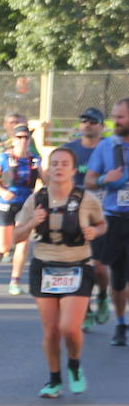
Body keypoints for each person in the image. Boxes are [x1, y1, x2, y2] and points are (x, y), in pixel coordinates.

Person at [12, 147, 107, 396]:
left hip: (77, 266)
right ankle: (54, 379)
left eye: (64, 164)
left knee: (68, 328)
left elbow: (102, 224)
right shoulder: (36, 200)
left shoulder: (86, 198)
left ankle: (74, 365)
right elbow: (16, 236)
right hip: (44, 266)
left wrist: (94, 232)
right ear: (47, 169)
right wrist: (33, 222)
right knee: (51, 330)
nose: (58, 168)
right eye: (54, 163)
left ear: (73, 170)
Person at [62, 108, 112, 328]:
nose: (88, 124)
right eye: (84, 121)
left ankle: (102, 295)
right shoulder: (69, 150)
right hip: (74, 215)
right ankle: (85, 311)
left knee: (99, 267)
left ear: (102, 126)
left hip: (103, 214)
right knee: (78, 265)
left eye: (93, 121)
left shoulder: (112, 148)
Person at [85, 98, 129, 346]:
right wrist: (105, 179)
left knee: (125, 279)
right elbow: (90, 180)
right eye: (114, 116)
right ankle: (115, 314)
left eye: (120, 117)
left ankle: (122, 323)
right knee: (105, 270)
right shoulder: (106, 147)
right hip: (112, 219)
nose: (115, 121)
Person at [0, 124, 41, 295]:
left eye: (26, 137)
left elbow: (46, 179)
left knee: (23, 242)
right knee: (6, 244)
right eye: (19, 137)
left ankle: (15, 281)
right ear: (13, 139)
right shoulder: (3, 158)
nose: (23, 141)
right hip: (4, 204)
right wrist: (2, 190)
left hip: (25, 204)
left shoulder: (35, 160)